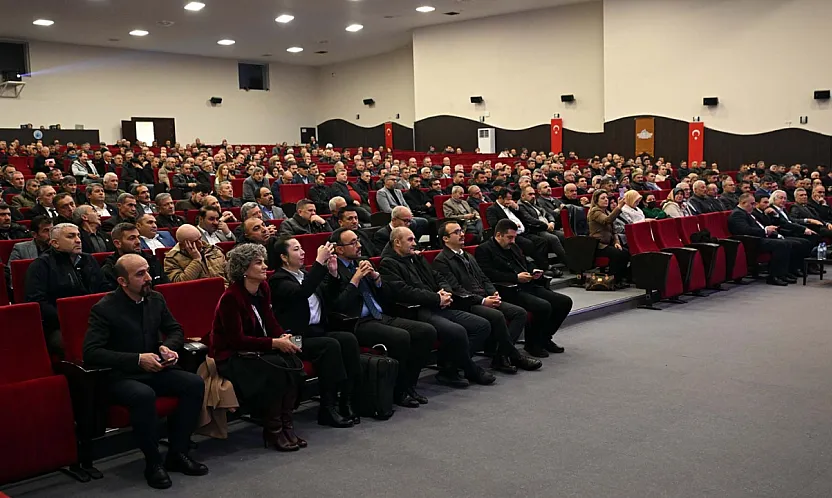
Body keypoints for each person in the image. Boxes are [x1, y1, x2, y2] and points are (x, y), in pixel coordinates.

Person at [83, 254, 208, 489]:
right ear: (122, 281)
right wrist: (137, 360)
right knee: (143, 395)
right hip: (121, 375)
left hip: (155, 368)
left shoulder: (155, 299)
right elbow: (92, 352)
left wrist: (168, 348)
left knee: (193, 384)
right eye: (140, 274)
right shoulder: (104, 309)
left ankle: (177, 453)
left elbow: (175, 330)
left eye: (147, 271)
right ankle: (153, 463)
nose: (148, 278)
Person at [327, 227, 437, 406]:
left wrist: (377, 278)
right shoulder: (332, 270)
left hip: (379, 314)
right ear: (339, 249)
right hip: (357, 322)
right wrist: (355, 279)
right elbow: (339, 304)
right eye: (353, 243)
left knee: (426, 331)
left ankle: (408, 384)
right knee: (401, 337)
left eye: (358, 241)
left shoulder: (362, 261)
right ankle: (399, 391)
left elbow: (387, 295)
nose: (359, 246)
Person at [211, 244, 306, 452]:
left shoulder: (263, 288)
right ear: (244, 269)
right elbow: (237, 341)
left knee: (293, 361)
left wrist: (282, 335)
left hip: (258, 350)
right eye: (258, 263)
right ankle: (273, 430)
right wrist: (274, 343)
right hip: (232, 356)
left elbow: (270, 321)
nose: (265, 267)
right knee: (276, 368)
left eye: (263, 261)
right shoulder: (231, 298)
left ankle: (287, 426)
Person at [379, 227, 495, 387]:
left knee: (481, 325)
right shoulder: (388, 264)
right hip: (416, 310)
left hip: (437, 304)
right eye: (410, 240)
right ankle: (469, 369)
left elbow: (438, 276)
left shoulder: (415, 257)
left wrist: (445, 292)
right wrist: (436, 298)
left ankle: (450, 367)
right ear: (397, 242)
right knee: (457, 331)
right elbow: (405, 292)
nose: (415, 243)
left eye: (414, 239)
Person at [269, 237, 360, 427]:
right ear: (284, 258)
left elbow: (330, 297)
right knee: (330, 345)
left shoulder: (304, 274)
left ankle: (347, 400)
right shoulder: (278, 280)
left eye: (301, 248)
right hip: (294, 337)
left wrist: (334, 274)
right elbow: (303, 293)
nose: (302, 252)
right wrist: (319, 263)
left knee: (348, 340)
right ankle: (327, 408)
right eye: (296, 249)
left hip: (316, 331)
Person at [434, 221, 542, 373]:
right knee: (497, 315)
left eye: (461, 231)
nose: (462, 234)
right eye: (457, 232)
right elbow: (455, 290)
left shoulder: (468, 256)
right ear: (445, 239)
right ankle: (514, 356)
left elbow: (484, 278)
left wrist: (493, 292)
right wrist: (483, 301)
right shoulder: (442, 260)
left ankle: (501, 356)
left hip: (483, 296)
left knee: (519, 313)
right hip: (467, 302)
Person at [475, 219, 574, 358]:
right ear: (498, 235)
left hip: (527, 285)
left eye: (514, 237)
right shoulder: (484, 249)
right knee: (543, 306)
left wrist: (534, 270)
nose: (513, 241)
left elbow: (525, 263)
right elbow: (488, 274)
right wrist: (516, 277)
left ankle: (545, 338)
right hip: (508, 289)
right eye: (509, 237)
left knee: (564, 302)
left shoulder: (513, 247)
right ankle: (533, 344)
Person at [25, 223, 106, 354]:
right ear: (55, 243)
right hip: (60, 325)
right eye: (71, 236)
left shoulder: (89, 260)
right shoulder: (40, 265)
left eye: (79, 235)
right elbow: (37, 301)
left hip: (96, 320)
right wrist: (68, 319)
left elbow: (104, 288)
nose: (78, 240)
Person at [727, 193, 793, 286]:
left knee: (786, 243)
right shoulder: (737, 214)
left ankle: (782, 274)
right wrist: (765, 230)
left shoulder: (746, 212)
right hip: (750, 241)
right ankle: (773, 276)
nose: (754, 206)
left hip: (757, 237)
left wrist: (766, 229)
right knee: (780, 245)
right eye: (752, 204)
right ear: (743, 202)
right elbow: (745, 230)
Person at [485, 189, 551, 272]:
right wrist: (511, 225)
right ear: (500, 198)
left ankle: (543, 265)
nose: (510, 201)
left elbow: (523, 218)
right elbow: (494, 224)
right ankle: (542, 267)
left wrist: (517, 208)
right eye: (508, 199)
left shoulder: (511, 207)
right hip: (510, 235)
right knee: (528, 244)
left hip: (523, 232)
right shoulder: (492, 209)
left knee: (542, 241)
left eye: (511, 199)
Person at [101, 223, 169, 290]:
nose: (138, 242)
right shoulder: (110, 269)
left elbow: (166, 287)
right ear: (117, 243)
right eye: (132, 238)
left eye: (138, 237)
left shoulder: (152, 260)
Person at [587, 190, 630, 287]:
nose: (606, 200)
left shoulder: (606, 211)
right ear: (596, 200)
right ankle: (612, 279)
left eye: (606, 198)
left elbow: (614, 231)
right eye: (603, 198)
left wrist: (617, 242)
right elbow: (607, 220)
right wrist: (619, 207)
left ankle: (620, 278)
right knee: (617, 254)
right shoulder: (594, 211)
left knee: (625, 252)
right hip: (598, 245)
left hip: (609, 243)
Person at [164, 224, 228, 284]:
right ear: (182, 245)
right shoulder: (172, 259)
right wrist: (196, 260)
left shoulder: (213, 250)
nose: (200, 244)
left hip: (223, 290)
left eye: (200, 238)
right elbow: (180, 283)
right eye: (194, 242)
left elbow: (229, 274)